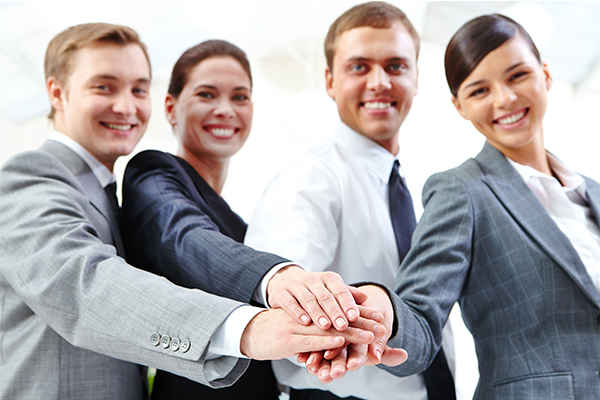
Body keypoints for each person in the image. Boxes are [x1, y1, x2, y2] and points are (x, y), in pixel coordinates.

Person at [0, 23, 394, 400]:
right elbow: (88, 286)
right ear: (56, 92)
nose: (126, 105)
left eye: (139, 89)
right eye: (104, 87)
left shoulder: (109, 193)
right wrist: (253, 324)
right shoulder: (34, 175)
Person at [119, 39, 402, 399]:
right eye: (207, 95)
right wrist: (278, 278)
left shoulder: (239, 222)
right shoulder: (154, 173)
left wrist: (346, 331)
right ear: (171, 107)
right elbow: (186, 238)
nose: (225, 109)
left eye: (239, 97)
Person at [348, 13, 600, 400]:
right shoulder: (461, 191)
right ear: (460, 106)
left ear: (545, 75)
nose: (505, 99)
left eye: (517, 76)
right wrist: (383, 315)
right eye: (480, 90)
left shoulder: (592, 191)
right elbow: (421, 319)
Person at [245, 2, 455, 400]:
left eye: (395, 66)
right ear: (329, 80)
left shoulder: (416, 183)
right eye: (359, 67)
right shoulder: (309, 181)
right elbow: (290, 317)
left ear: (415, 77)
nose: (379, 82)